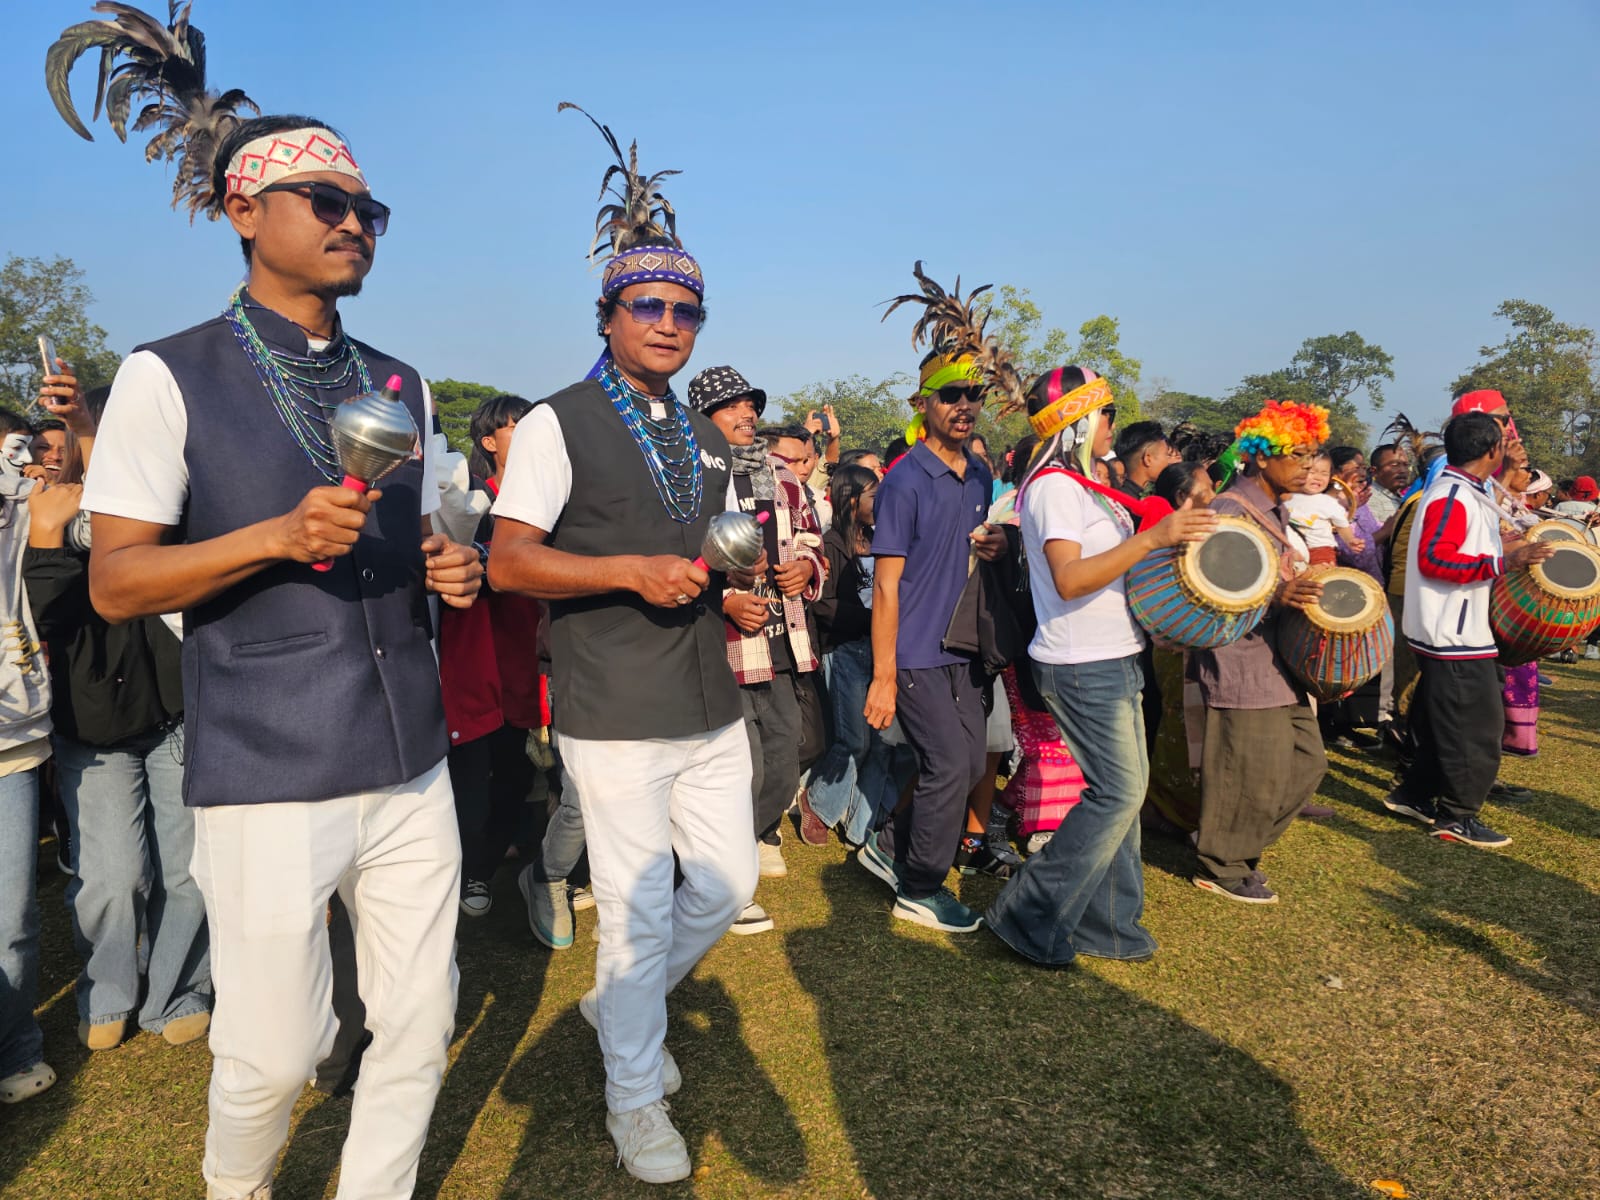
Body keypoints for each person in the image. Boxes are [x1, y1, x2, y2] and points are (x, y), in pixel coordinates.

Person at [75, 94, 481, 1197]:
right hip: (266, 758)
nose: (355, 223)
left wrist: (452, 568)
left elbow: (418, 544)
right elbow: (115, 581)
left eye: (370, 208)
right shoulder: (170, 374)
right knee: (274, 1048)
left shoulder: (402, 382)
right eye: (329, 200)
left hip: (408, 754)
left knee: (419, 1016)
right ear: (241, 211)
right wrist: (271, 536)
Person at [487, 106, 752, 1184]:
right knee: (638, 912)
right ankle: (632, 1096)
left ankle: (611, 1009)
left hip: (706, 695)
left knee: (728, 887)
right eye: (648, 304)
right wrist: (624, 573)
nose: (670, 323)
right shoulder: (556, 422)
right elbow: (508, 561)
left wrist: (735, 585)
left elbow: (703, 548)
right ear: (607, 315)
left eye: (687, 309)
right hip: (610, 703)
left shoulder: (698, 428)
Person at [986, 366, 1215, 965]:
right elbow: (1069, 580)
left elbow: (1108, 577)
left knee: (1122, 794)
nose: (1114, 422)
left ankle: (1109, 924)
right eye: (1108, 412)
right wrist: (1153, 536)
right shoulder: (1057, 489)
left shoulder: (1085, 486)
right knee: (1117, 793)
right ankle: (1026, 912)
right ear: (1082, 420)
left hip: (1112, 655)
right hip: (1081, 664)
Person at [21, 365, 209, 1055]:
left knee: (188, 870)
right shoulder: (42, 510)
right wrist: (46, 541)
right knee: (111, 876)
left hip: (176, 709)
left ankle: (180, 989)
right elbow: (39, 617)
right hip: (89, 724)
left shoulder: (170, 503)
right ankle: (107, 992)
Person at [861, 342, 1007, 934]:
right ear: (924, 403)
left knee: (972, 760)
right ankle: (919, 887)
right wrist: (884, 675)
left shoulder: (979, 473)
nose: (965, 405)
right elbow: (888, 587)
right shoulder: (903, 481)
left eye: (974, 394)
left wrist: (996, 545)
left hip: (963, 645)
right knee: (948, 762)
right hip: (916, 648)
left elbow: (968, 548)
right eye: (951, 395)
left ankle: (890, 842)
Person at [688, 366, 823, 936]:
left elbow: (814, 538)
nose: (747, 415)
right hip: (714, 649)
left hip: (780, 642)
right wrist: (723, 601)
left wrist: (805, 567)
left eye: (751, 405)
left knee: (786, 761)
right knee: (734, 770)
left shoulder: (781, 476)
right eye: (731, 406)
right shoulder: (686, 476)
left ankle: (735, 854)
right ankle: (725, 883)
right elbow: (665, 557)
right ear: (703, 417)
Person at [1381, 413, 1553, 847]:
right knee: (1476, 729)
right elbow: (1434, 559)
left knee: (1448, 724)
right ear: (1492, 451)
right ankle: (1457, 816)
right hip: (1452, 634)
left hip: (1459, 627)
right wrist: (1504, 563)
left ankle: (1415, 795)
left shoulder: (1468, 490)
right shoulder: (1451, 496)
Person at [1189, 401, 1330, 904]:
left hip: (1276, 658)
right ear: (1261, 457)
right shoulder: (1232, 508)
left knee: (1305, 762)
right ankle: (1222, 863)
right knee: (1246, 767)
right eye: (1298, 454)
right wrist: (1277, 594)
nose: (1310, 465)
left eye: (1313, 454)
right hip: (1241, 657)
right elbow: (1212, 580)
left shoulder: (1274, 509)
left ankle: (1233, 843)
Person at [441, 394, 545, 919]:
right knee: (471, 779)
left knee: (514, 774)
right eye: (513, 427)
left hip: (528, 658)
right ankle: (470, 874)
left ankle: (483, 868)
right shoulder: (473, 503)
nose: (526, 434)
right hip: (477, 662)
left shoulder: (550, 501)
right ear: (489, 442)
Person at [800, 465, 908, 847]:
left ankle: (860, 825)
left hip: (880, 650)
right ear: (850, 501)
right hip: (845, 649)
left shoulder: (881, 539)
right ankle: (818, 803)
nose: (881, 504)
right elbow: (824, 606)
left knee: (882, 744)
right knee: (854, 740)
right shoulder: (830, 544)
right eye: (873, 497)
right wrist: (874, 614)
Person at [1143, 461, 1216, 835]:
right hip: (1172, 647)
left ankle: (1178, 809)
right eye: (1205, 493)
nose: (1214, 499)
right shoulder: (1162, 537)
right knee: (1179, 727)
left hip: (1189, 646)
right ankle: (1163, 809)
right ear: (1181, 498)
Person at [1283, 452, 1365, 567]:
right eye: (1312, 472)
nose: (1318, 477)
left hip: (1320, 552)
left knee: (1319, 581)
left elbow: (1342, 526)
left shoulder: (1328, 502)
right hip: (1291, 549)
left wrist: (1350, 540)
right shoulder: (1287, 497)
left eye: (1324, 474)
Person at [1113, 421, 1180, 501]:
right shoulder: (1126, 504)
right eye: (1167, 455)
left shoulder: (1120, 495)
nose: (1169, 462)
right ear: (1148, 459)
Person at [1367, 442, 1407, 524]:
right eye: (1395, 465)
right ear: (1374, 471)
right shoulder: (1368, 499)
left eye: (1406, 465)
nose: (1403, 470)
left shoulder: (1404, 498)